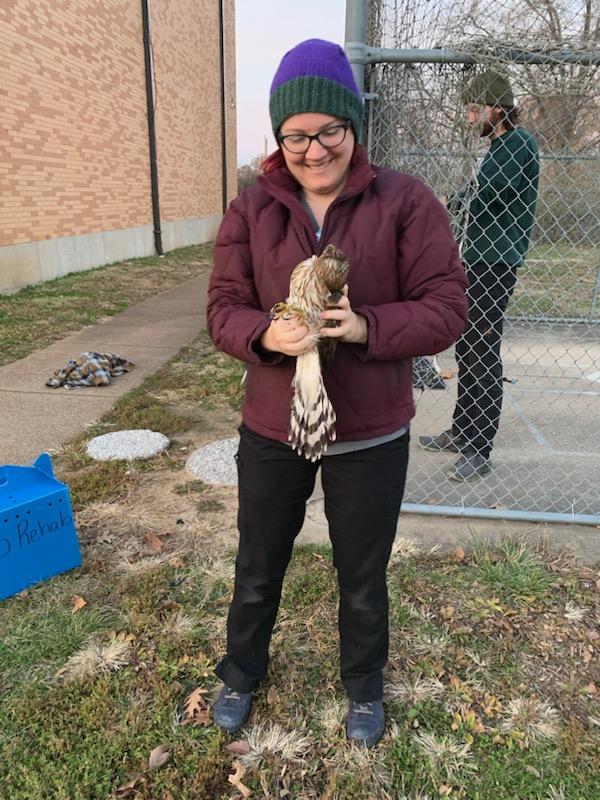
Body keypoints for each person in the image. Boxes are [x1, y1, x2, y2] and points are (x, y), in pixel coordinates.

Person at [206, 38, 467, 747]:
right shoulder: (251, 209)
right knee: (258, 562)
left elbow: (447, 306)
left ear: (353, 125)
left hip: (370, 429)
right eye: (296, 135)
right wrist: (267, 335)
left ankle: (364, 686)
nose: (314, 150)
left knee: (362, 572)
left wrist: (364, 325)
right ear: (279, 136)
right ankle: (240, 673)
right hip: (274, 423)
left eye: (329, 131)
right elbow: (223, 308)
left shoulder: (405, 201)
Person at [420, 70, 539, 481]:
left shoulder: (517, 143)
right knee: (468, 348)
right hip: (477, 259)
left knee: (483, 350)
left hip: (496, 262)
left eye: (475, 110)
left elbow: (489, 193)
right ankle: (462, 430)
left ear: (497, 108)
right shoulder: (498, 145)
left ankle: (479, 448)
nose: (470, 119)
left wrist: (445, 201)